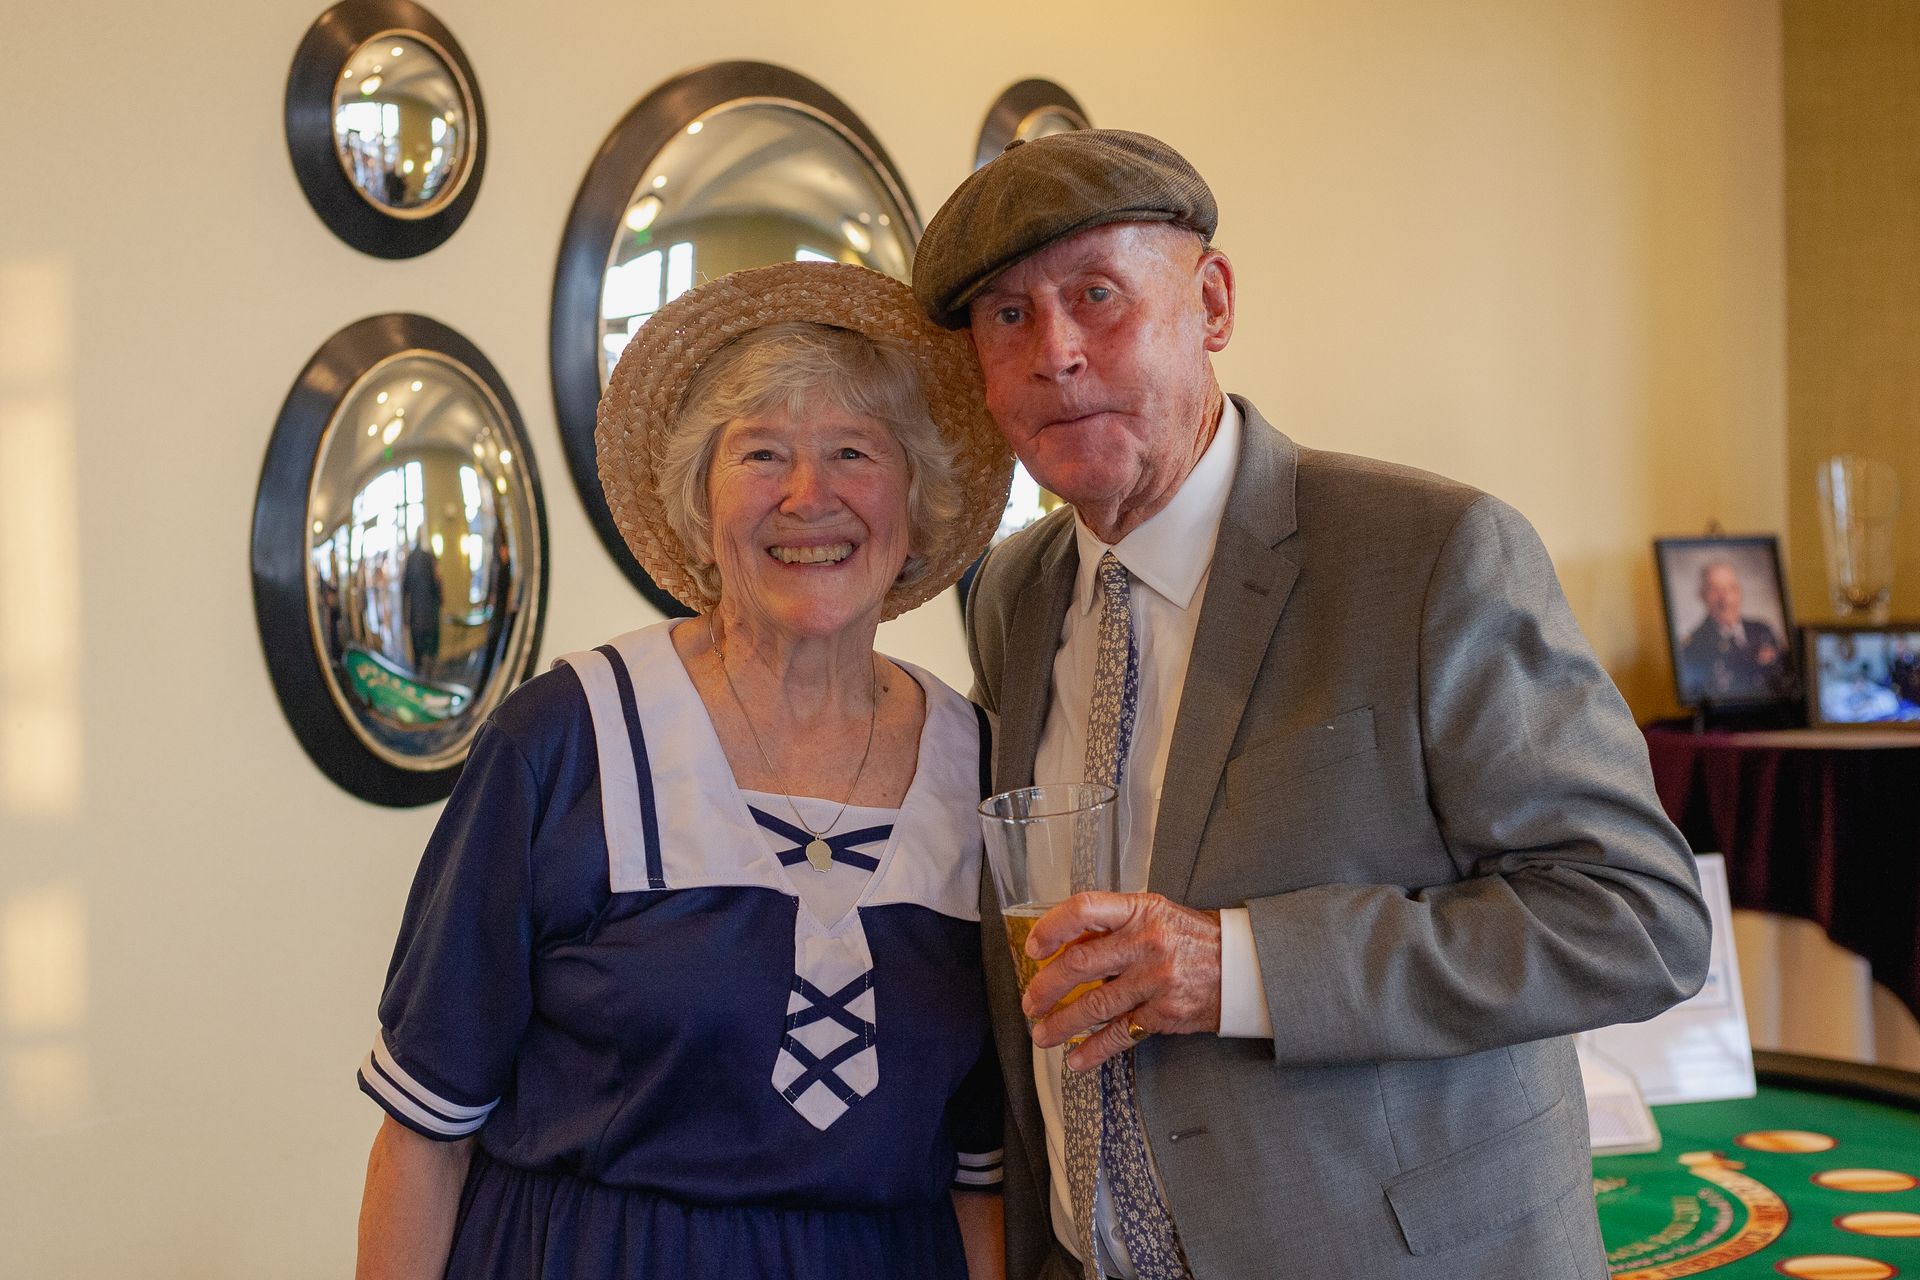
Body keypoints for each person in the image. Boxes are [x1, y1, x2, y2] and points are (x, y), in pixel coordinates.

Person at [911, 130, 1712, 1280]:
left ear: (1214, 301)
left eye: (1099, 296)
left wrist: (1236, 965)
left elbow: (1635, 916)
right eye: (1008, 317)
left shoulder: (1430, 555)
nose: (1059, 355)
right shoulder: (1014, 594)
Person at [353, 262, 1016, 1280]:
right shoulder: (564, 740)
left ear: (915, 498)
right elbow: (426, 1133)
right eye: (762, 453)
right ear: (699, 500)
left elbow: (981, 1174)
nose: (811, 496)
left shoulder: (981, 765)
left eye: (854, 450)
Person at [1677, 560, 1791, 702]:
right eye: (1715, 590)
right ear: (1703, 595)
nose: (1726, 599)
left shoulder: (1762, 631)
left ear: (1739, 592)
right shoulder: (1692, 647)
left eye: (1731, 589)